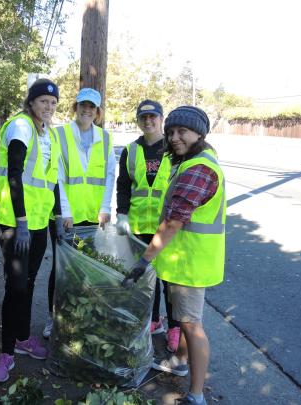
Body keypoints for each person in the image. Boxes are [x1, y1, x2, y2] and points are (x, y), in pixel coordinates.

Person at [122, 106, 226, 405]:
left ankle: (196, 394)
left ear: (199, 134)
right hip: (187, 259)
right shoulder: (193, 161)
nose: (175, 137)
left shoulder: (198, 169)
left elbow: (173, 222)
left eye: (183, 132)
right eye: (171, 132)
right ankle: (179, 361)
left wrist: (144, 261)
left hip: (192, 261)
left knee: (192, 325)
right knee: (182, 318)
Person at [0, 78, 65, 383]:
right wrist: (20, 221)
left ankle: (23, 338)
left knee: (30, 281)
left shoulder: (49, 135)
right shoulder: (21, 127)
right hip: (15, 221)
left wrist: (58, 216)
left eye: (53, 103)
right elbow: (15, 175)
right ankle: (6, 353)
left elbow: (53, 179)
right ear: (31, 102)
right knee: (16, 286)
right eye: (43, 101)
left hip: (38, 222)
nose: (49, 107)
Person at [43, 88, 116, 338]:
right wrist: (64, 211)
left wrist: (105, 209)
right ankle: (55, 318)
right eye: (83, 105)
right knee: (62, 268)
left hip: (92, 218)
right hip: (67, 218)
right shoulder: (60, 135)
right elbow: (57, 176)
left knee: (86, 268)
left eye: (92, 107)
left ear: (97, 112)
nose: (87, 110)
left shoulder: (105, 139)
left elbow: (108, 177)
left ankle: (78, 316)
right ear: (75, 107)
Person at [115, 99, 186, 358]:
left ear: (161, 118)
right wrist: (121, 213)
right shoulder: (131, 151)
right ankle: (153, 318)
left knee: (169, 279)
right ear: (138, 120)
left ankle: (175, 326)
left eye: (153, 117)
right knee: (146, 278)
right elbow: (123, 185)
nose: (148, 121)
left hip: (166, 226)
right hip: (139, 225)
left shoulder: (174, 148)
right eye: (143, 118)